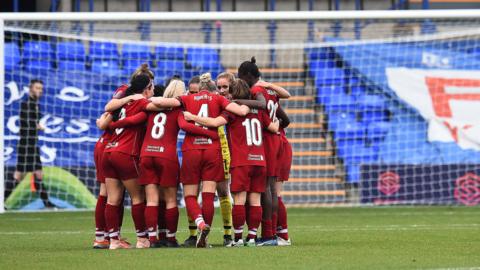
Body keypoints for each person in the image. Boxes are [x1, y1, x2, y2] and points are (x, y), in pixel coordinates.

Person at [150, 73, 249, 248]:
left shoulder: (187, 98)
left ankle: (200, 225)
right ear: (213, 89)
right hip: (213, 150)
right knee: (209, 196)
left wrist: (137, 99)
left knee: (190, 195)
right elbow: (242, 111)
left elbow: (160, 102)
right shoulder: (219, 100)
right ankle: (209, 238)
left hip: (191, 150)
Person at [184, 78, 279, 247]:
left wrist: (192, 117)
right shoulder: (259, 111)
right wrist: (278, 121)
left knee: (240, 201)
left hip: (242, 161)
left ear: (234, 93)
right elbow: (274, 128)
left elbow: (214, 122)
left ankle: (237, 238)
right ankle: (251, 238)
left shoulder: (231, 112)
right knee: (255, 201)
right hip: (260, 160)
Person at [102, 73, 165, 250]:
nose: (153, 91)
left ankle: (113, 241)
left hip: (109, 150)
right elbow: (159, 106)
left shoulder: (125, 102)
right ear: (146, 89)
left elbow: (108, 109)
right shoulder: (142, 102)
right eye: (152, 88)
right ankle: (142, 239)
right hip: (126, 153)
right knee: (138, 197)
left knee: (112, 199)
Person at [237, 57, 290, 246]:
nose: (240, 80)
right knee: (273, 188)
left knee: (267, 188)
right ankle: (278, 233)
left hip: (267, 140)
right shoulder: (268, 90)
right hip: (277, 140)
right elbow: (286, 119)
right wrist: (277, 126)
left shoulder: (255, 91)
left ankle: (269, 234)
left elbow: (260, 108)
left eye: (241, 76)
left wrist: (271, 126)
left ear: (248, 76)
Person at [14, 79, 54, 209]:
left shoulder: (36, 104)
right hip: (25, 144)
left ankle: (47, 203)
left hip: (32, 144)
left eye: (41, 89)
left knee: (38, 173)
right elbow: (25, 122)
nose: (40, 91)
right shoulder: (26, 104)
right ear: (31, 88)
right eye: (37, 88)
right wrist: (37, 126)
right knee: (19, 175)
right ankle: (2, 201)